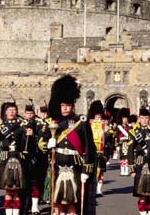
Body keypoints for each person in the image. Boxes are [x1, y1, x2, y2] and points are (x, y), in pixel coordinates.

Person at [42, 75, 97, 215]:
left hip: (76, 167)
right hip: (57, 166)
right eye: (63, 106)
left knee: (73, 205)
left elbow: (90, 148)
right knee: (57, 204)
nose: (65, 108)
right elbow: (40, 143)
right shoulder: (53, 122)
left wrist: (87, 170)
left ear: (73, 106)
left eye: (68, 106)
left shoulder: (80, 122)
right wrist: (48, 143)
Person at [0, 102, 35, 215]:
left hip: (19, 159)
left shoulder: (23, 125)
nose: (12, 112)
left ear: (17, 112)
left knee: (17, 190)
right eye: (9, 110)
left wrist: (30, 136)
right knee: (8, 190)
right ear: (5, 112)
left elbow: (28, 145)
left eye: (14, 110)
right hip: (5, 159)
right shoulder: (1, 126)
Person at [87, 100, 108, 196]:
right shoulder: (89, 125)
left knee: (101, 172)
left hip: (101, 151)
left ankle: (99, 189)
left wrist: (107, 131)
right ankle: (91, 188)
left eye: (99, 116)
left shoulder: (105, 126)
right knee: (91, 171)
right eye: (96, 116)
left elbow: (108, 140)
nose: (98, 118)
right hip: (91, 151)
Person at [115, 108, 131, 176]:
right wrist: (117, 145)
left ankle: (126, 170)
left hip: (127, 143)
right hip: (121, 144)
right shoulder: (119, 127)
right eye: (124, 118)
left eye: (126, 118)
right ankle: (122, 170)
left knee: (127, 157)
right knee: (122, 158)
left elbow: (130, 135)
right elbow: (117, 136)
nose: (125, 120)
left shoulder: (129, 127)